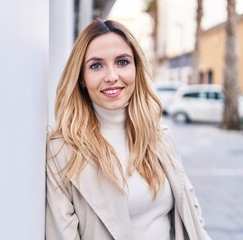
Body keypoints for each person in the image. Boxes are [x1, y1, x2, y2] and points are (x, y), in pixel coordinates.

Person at [45, 19, 211, 240]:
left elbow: (191, 211)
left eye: (122, 62)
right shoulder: (61, 151)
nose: (112, 76)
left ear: (136, 68)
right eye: (96, 65)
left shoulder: (159, 137)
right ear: (81, 78)